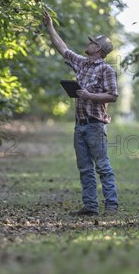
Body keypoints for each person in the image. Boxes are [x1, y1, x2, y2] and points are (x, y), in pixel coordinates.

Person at [42, 11, 119, 216]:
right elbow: (63, 49)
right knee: (84, 168)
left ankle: (111, 205)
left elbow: (113, 96)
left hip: (95, 124)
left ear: (99, 49)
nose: (89, 43)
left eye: (93, 42)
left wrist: (89, 96)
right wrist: (50, 26)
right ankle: (90, 206)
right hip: (80, 124)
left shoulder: (106, 70)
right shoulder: (82, 64)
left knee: (102, 166)